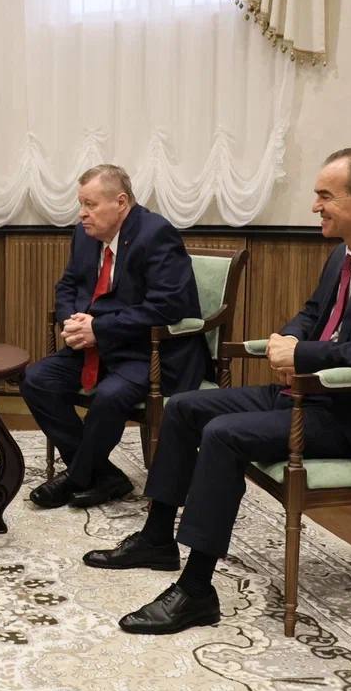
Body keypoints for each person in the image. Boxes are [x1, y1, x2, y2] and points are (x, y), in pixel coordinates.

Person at [94, 147, 351, 635]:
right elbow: (313, 314)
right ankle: (157, 539)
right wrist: (287, 341)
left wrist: (305, 356)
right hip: (314, 395)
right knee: (184, 408)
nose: (315, 206)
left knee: (223, 435)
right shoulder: (345, 254)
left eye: (326, 196)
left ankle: (197, 591)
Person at [21, 164, 210, 509]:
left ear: (120, 202)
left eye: (90, 204)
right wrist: (71, 322)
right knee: (36, 380)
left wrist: (98, 328)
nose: (82, 213)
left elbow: (167, 306)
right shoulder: (84, 235)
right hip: (97, 346)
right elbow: (68, 285)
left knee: (110, 396)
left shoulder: (156, 234)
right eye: (81, 204)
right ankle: (105, 476)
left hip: (148, 350)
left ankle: (76, 477)